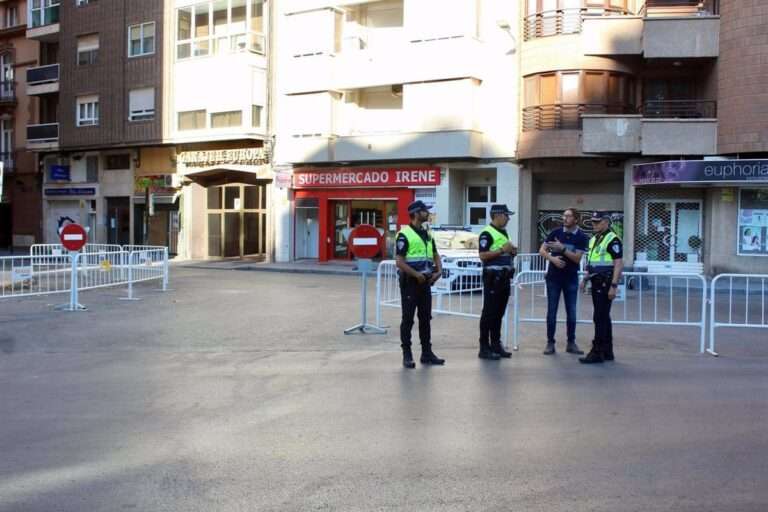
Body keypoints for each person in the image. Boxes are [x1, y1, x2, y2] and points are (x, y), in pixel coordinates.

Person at [395, 200, 445, 369]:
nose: (427, 213)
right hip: (410, 283)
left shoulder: (427, 234)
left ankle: (427, 353)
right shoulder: (404, 234)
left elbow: (435, 254)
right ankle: (407, 354)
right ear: (416, 213)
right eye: (424, 211)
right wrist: (416, 275)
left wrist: (439, 271)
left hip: (426, 283)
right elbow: (399, 262)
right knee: (408, 319)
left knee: (425, 319)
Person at [539, 208, 589, 355]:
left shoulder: (581, 236)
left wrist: (562, 249)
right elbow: (542, 250)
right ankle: (550, 343)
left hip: (570, 279)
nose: (565, 218)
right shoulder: (556, 232)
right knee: (551, 311)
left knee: (571, 312)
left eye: (568, 216)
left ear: (576, 219)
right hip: (553, 278)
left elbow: (577, 258)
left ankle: (571, 343)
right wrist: (552, 259)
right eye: (564, 216)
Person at [579, 212, 624, 364]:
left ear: (605, 222)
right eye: (593, 222)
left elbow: (618, 264)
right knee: (604, 316)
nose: (594, 224)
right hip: (596, 281)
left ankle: (597, 352)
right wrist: (585, 278)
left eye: (597, 222)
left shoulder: (612, 239)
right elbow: (592, 262)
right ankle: (607, 351)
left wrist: (614, 286)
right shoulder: (595, 239)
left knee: (599, 317)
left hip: (606, 282)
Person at [477, 204, 518, 360]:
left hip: (504, 278)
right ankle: (484, 347)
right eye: (506, 216)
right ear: (498, 215)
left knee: (499, 313)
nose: (508, 219)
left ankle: (495, 344)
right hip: (493, 279)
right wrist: (502, 250)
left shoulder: (503, 232)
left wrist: (512, 252)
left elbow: (505, 252)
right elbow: (483, 255)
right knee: (489, 313)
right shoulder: (487, 233)